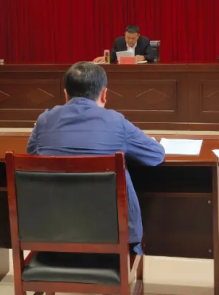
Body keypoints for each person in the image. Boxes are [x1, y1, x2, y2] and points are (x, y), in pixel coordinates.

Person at [27, 62, 165, 253]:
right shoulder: (116, 122)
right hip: (112, 235)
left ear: (66, 95)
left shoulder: (44, 120)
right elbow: (156, 155)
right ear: (104, 94)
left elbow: (32, 154)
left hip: (54, 231)